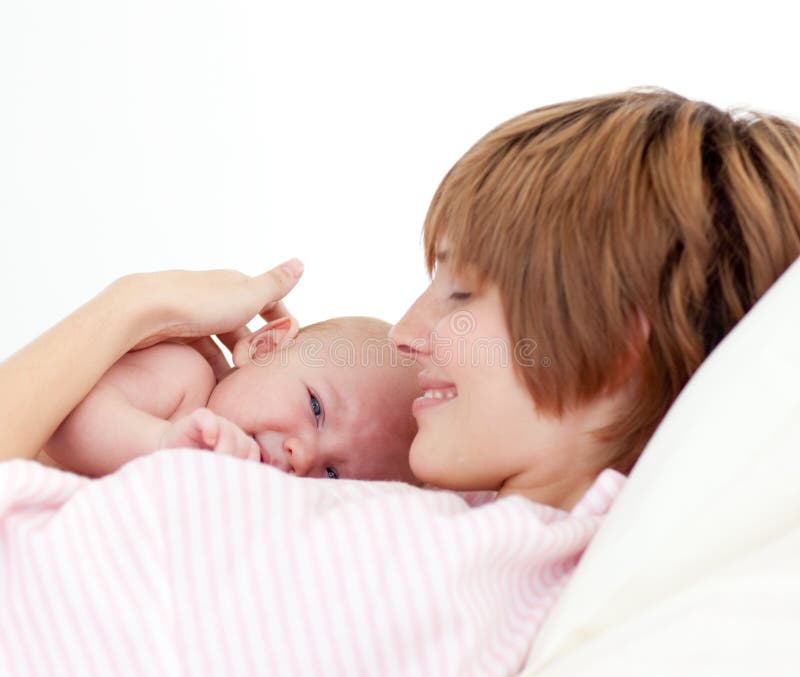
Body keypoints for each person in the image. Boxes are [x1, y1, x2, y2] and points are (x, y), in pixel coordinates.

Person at [2, 88, 799, 676]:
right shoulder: (465, 539)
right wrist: (130, 307)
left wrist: (129, 308)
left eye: (460, 291)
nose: (410, 333)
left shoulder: (443, 580)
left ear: (620, 340)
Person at [39, 315, 421, 482]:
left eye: (333, 474)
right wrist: (161, 445)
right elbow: (63, 419)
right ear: (264, 346)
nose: (303, 457)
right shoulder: (186, 378)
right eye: (316, 408)